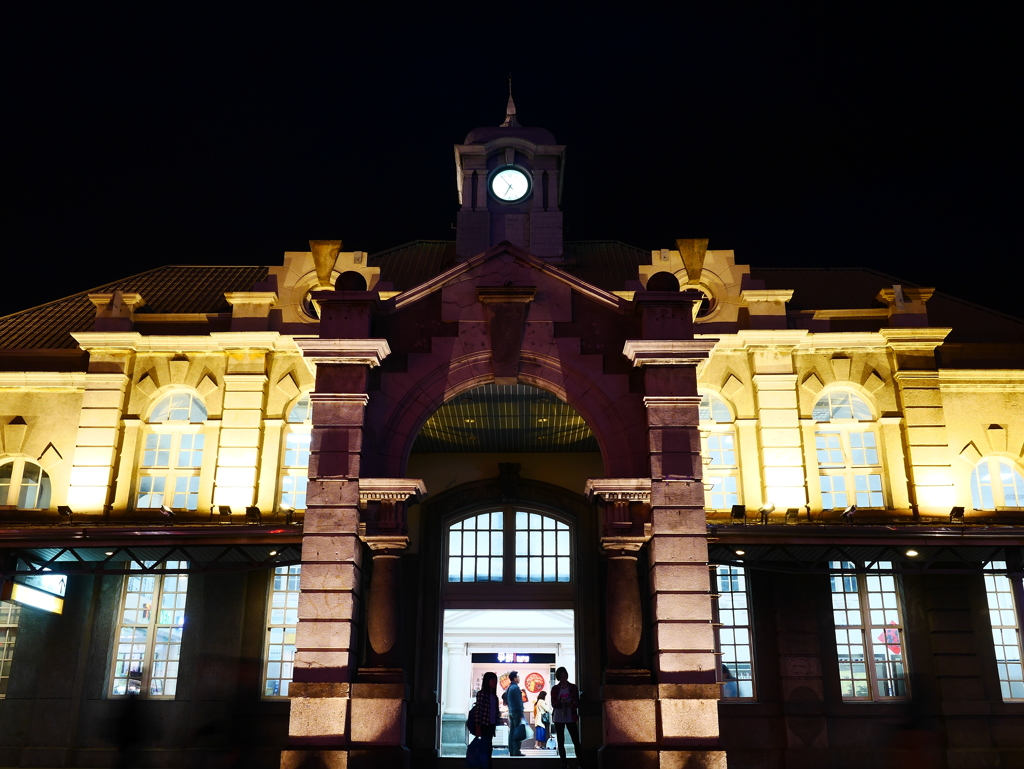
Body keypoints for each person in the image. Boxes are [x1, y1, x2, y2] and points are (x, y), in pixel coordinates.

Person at [551, 666, 581, 768]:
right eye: (561, 677)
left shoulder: (573, 687)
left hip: (570, 715)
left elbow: (577, 701)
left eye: (565, 676)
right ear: (559, 678)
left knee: (576, 740)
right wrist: (561, 703)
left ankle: (580, 763)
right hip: (559, 716)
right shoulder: (555, 689)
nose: (563, 679)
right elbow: (553, 703)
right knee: (561, 741)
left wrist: (572, 704)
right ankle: (564, 763)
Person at [472, 672, 500, 766]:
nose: (494, 682)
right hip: (484, 724)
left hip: (491, 724)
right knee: (485, 748)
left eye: (495, 680)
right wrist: (478, 726)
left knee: (488, 748)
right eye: (492, 680)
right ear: (487, 681)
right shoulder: (482, 694)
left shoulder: (494, 696)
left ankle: (487, 765)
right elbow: (478, 710)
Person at [505, 670, 525, 756]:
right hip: (517, 712)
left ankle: (511, 750)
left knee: (512, 732)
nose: (519, 678)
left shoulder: (509, 688)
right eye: (518, 677)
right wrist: (521, 712)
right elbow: (519, 702)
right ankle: (516, 751)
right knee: (518, 731)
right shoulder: (516, 688)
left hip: (511, 712)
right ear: (514, 678)